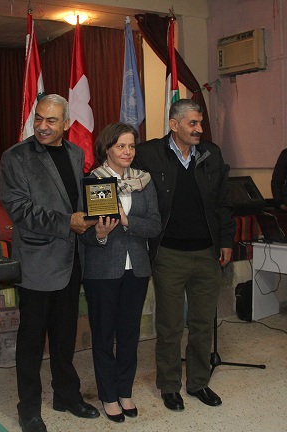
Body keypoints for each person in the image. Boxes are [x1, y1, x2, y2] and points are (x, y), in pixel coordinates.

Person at [0, 94, 99, 432]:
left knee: (64, 335)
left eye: (51, 120)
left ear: (66, 123)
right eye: (38, 118)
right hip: (37, 261)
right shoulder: (15, 157)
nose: (42, 126)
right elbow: (19, 210)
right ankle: (28, 408)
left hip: (72, 260)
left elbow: (76, 199)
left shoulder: (76, 153)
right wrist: (67, 223)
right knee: (31, 341)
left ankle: (66, 395)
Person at [133, 99, 235, 412]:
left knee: (203, 324)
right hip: (169, 254)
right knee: (170, 326)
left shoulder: (212, 154)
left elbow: (223, 203)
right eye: (193, 123)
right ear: (174, 124)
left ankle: (198, 383)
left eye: (200, 123)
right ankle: (169, 386)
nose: (199, 129)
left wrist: (226, 240)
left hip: (207, 254)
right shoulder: (149, 153)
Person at [80, 123, 161, 423]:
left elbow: (155, 225)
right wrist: (99, 235)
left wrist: (127, 221)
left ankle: (124, 391)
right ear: (107, 149)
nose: (128, 152)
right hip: (102, 269)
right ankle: (108, 395)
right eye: (121, 146)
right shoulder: (93, 182)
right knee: (103, 336)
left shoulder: (144, 181)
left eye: (131, 146)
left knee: (129, 335)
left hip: (136, 268)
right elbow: (82, 234)